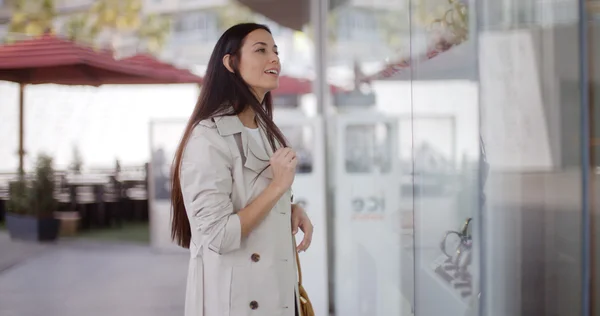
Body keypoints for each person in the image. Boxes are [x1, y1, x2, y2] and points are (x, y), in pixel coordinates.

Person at [169, 23, 314, 316]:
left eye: (275, 51)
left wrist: (289, 207)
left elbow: (252, 198)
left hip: (277, 294)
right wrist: (277, 189)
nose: (274, 58)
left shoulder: (267, 131)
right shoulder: (207, 137)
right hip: (235, 302)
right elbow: (218, 236)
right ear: (230, 63)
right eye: (261, 50)